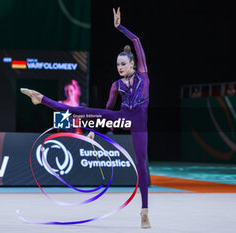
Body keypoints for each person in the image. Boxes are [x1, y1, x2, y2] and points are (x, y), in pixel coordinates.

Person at [21, 7, 151, 228]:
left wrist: (119, 27)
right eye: (117, 64)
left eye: (123, 64)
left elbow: (136, 40)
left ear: (132, 64)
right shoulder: (116, 85)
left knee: (141, 162)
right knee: (82, 110)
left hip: (138, 121)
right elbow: (107, 110)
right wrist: (94, 128)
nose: (119, 68)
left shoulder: (143, 74)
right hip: (123, 116)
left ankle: (144, 211)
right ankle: (41, 98)